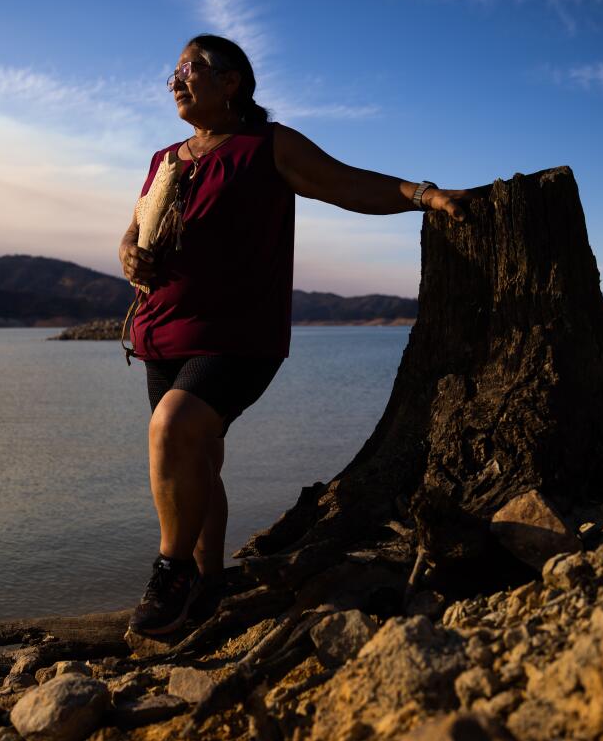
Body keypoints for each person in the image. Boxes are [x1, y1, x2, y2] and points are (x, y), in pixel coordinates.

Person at [118, 34, 472, 636]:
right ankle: (206, 588)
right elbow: (134, 228)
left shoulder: (268, 145)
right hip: (161, 330)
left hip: (237, 334)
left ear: (233, 82)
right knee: (197, 457)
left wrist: (424, 195)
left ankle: (170, 571)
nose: (176, 79)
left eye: (192, 68)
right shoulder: (165, 158)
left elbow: (347, 183)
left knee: (174, 427)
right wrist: (128, 252)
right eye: (173, 70)